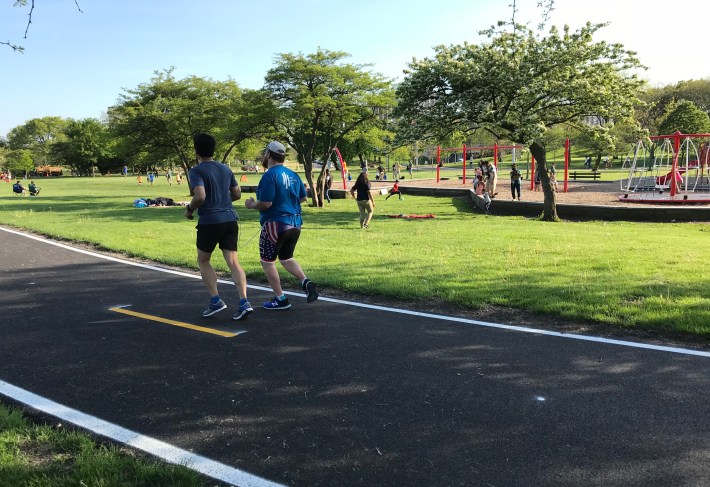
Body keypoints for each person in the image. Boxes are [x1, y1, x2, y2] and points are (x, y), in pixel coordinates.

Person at [185, 133, 253, 320]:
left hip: (210, 221)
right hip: (230, 219)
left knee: (204, 260)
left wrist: (189, 209)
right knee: (233, 262)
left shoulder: (196, 171)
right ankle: (244, 301)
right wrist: (222, 200)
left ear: (196, 151)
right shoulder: (225, 168)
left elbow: (200, 196)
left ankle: (216, 300)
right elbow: (237, 194)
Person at [244, 141, 318, 310]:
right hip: (295, 224)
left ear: (269, 155)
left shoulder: (270, 175)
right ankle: (305, 281)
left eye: (265, 154)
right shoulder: (293, 174)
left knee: (267, 262)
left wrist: (251, 205)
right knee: (286, 258)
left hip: (275, 225)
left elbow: (266, 204)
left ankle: (280, 298)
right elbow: (302, 197)